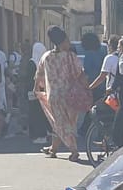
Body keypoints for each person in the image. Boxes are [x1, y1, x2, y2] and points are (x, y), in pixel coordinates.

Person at [35, 26, 90, 160]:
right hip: (72, 95)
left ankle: (54, 149)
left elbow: (39, 75)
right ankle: (73, 150)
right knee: (68, 124)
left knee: (59, 123)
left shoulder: (46, 57)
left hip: (54, 96)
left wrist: (37, 88)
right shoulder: (70, 56)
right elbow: (80, 74)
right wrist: (87, 87)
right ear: (63, 41)